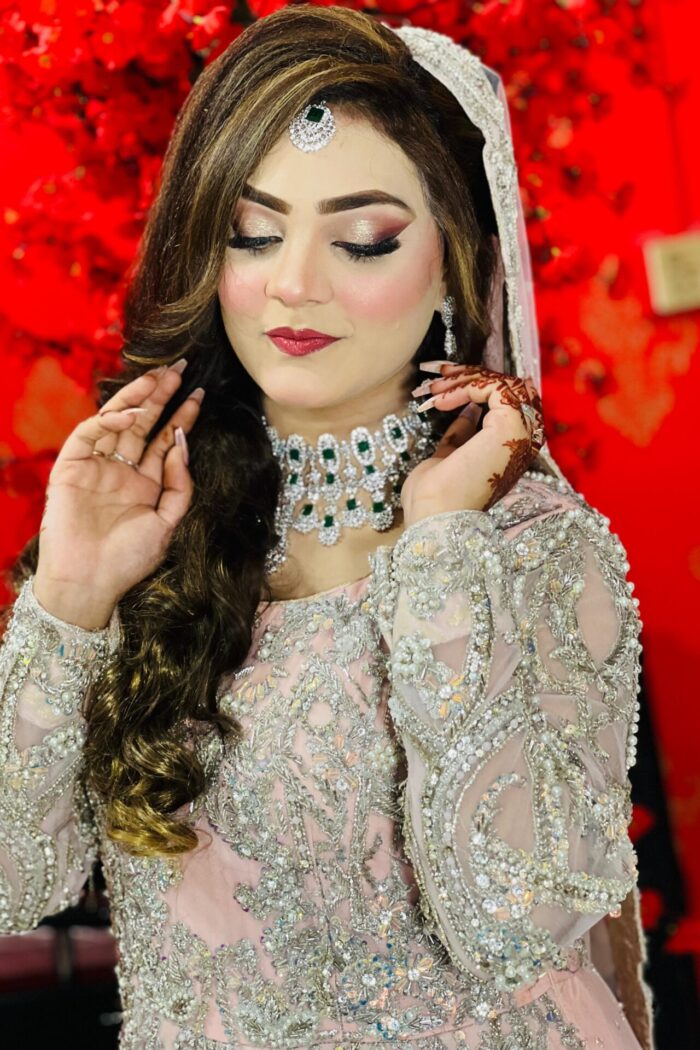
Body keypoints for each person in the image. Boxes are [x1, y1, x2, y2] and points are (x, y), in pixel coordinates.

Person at [0, 5, 655, 1048]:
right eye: (252, 234)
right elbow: (13, 885)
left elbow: (517, 923)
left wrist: (439, 554)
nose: (293, 284)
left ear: (454, 266)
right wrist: (69, 600)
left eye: (362, 240)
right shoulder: (159, 532)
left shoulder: (524, 545)